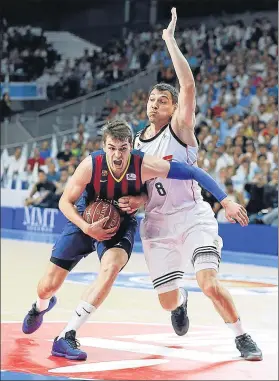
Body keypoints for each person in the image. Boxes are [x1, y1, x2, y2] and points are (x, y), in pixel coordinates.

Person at [22, 119, 247, 361]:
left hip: (119, 224)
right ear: (104, 146)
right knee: (47, 286)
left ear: (131, 146)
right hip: (84, 220)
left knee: (111, 268)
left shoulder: (143, 164)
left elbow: (192, 171)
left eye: (122, 148)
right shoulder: (91, 165)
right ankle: (40, 305)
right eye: (111, 148)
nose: (117, 155)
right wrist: (87, 226)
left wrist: (225, 200)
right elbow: (64, 202)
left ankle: (67, 335)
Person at [129, 8, 262, 361]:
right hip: (156, 225)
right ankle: (180, 301)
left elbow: (188, 84)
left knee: (208, 281)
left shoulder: (180, 130)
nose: (155, 103)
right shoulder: (136, 143)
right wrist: (133, 203)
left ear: (174, 109)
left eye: (163, 100)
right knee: (167, 300)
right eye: (151, 99)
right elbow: (142, 189)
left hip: (192, 216)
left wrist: (169, 41)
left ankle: (242, 335)